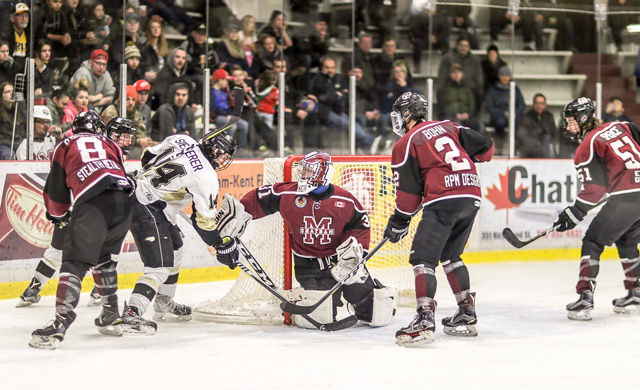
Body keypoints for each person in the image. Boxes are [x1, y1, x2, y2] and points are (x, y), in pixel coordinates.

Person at [238, 151, 398, 328]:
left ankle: (370, 297)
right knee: (322, 315)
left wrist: (353, 254)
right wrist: (238, 214)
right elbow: (259, 198)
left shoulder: (344, 200)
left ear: (323, 173)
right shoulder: (288, 194)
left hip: (340, 262)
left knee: (376, 313)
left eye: (309, 171)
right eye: (303, 171)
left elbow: (360, 225)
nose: (303, 175)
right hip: (308, 266)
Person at [383, 92, 494, 347]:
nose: (398, 119)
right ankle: (466, 312)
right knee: (451, 255)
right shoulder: (450, 126)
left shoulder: (406, 143)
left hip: (444, 200)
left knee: (423, 259)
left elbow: (409, 195)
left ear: (407, 115)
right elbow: (487, 149)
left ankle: (424, 318)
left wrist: (399, 220)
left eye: (400, 114)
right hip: (471, 195)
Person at [28, 112, 134, 350]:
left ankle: (59, 323)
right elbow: (119, 174)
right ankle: (110, 314)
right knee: (103, 259)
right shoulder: (111, 144)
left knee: (74, 261)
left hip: (94, 202)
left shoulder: (64, 144)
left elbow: (55, 190)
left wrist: (59, 215)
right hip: (124, 203)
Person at [121, 131, 239, 334]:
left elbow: (147, 156)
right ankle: (132, 312)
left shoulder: (182, 140)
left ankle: (164, 302)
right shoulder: (206, 177)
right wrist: (222, 244)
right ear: (215, 149)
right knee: (159, 267)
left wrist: (162, 188)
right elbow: (204, 224)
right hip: (147, 206)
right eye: (223, 155)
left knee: (176, 251)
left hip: (142, 196)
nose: (223, 160)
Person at [553, 97, 640, 320]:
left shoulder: (587, 146)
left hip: (626, 198)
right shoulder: (622, 125)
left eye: (572, 121)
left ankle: (584, 299)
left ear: (584, 119)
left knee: (592, 241)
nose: (569, 126)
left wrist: (574, 212)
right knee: (627, 240)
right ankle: (636, 292)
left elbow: (595, 189)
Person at [437, 63, 483, 133]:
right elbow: (444, 106)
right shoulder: (444, 89)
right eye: (454, 72)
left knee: (480, 126)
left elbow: (472, 103)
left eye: (458, 72)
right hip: (450, 116)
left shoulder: (468, 87)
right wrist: (456, 114)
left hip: (467, 116)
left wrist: (468, 114)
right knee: (458, 126)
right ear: (450, 75)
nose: (456, 74)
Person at [210, 69, 248, 150]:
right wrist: (226, 115)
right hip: (217, 117)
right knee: (232, 126)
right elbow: (212, 109)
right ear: (220, 80)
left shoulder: (224, 91)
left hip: (228, 115)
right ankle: (226, 148)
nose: (227, 82)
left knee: (244, 125)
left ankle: (241, 148)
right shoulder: (211, 92)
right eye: (226, 80)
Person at [485, 66, 525, 140]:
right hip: (498, 117)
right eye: (502, 75)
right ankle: (500, 146)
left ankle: (517, 146)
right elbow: (489, 107)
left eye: (507, 75)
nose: (504, 77)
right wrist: (503, 113)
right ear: (499, 76)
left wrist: (514, 113)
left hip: (513, 116)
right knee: (500, 122)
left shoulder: (515, 88)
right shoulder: (492, 90)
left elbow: (522, 104)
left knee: (520, 123)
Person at [517, 93, 559, 158]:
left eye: (541, 103)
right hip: (531, 147)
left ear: (545, 105)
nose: (539, 106)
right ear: (533, 104)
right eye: (537, 103)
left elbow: (555, 133)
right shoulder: (527, 116)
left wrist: (552, 143)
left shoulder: (549, 116)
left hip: (546, 147)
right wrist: (537, 143)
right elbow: (522, 136)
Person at [0, 81, 26, 159]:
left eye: (13, 91)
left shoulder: (20, 110)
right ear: (1, 96)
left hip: (19, 144)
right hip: (4, 145)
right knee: (9, 155)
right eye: (7, 92)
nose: (12, 94)